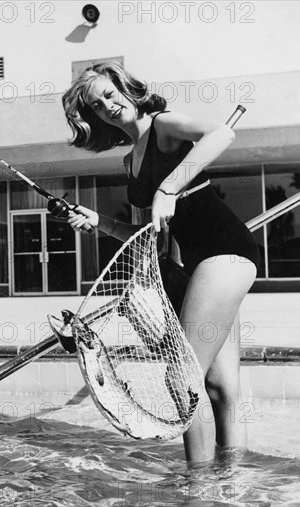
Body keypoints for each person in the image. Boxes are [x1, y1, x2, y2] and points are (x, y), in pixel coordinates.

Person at [61, 62, 260, 464]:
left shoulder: (163, 125)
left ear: (126, 88)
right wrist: (98, 222)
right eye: (98, 106)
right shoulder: (129, 161)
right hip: (194, 266)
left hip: (225, 250)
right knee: (219, 387)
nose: (108, 105)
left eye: (110, 93)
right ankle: (233, 475)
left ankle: (197, 484)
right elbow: (143, 235)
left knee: (182, 377)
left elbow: (221, 132)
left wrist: (169, 187)